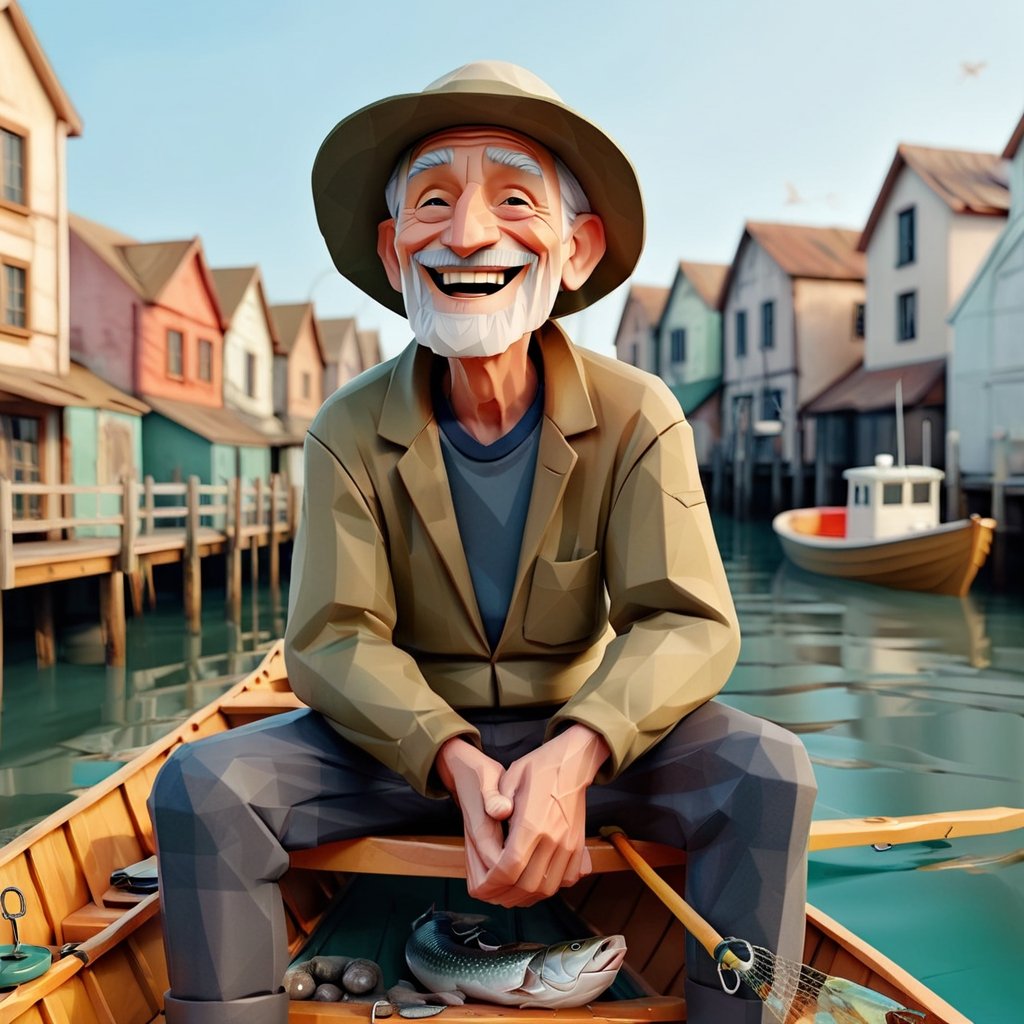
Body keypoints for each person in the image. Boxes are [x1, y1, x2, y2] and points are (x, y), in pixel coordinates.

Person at [149, 61, 816, 1024]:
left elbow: (686, 623)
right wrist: (453, 757)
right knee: (204, 786)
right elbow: (332, 638)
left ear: (578, 247)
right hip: (394, 752)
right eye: (431, 201)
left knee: (767, 772)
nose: (466, 234)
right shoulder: (346, 428)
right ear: (392, 250)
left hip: (588, 741)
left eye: (513, 197)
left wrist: (579, 749)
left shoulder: (639, 414)